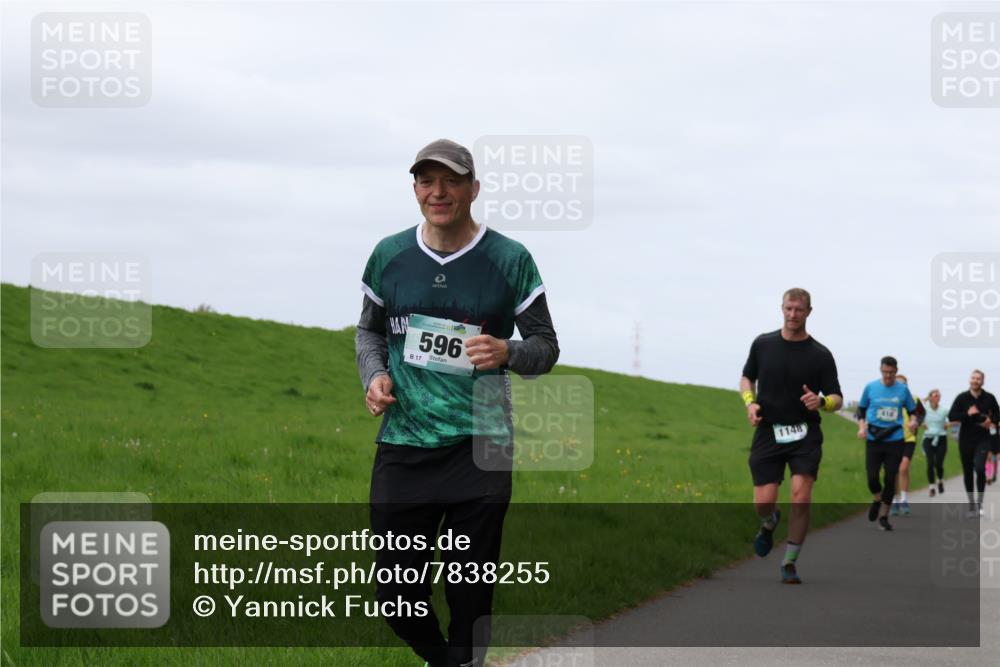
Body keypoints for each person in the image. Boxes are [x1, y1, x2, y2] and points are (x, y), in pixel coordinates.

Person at [355, 138, 560, 667]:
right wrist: (375, 376)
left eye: (450, 180)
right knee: (398, 601)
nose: (438, 192)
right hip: (405, 444)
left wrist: (507, 350)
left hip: (482, 446)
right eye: (426, 181)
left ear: (473, 187)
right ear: (416, 188)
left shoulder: (509, 259)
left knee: (469, 594)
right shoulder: (389, 255)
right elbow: (369, 333)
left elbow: (546, 348)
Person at [740, 288, 843, 585]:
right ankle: (770, 521)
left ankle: (789, 562)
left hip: (805, 434)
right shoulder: (763, 344)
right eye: (788, 308)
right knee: (763, 502)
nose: (793, 314)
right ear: (781, 308)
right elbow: (747, 376)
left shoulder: (820, 355)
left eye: (799, 309)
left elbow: (836, 397)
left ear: (809, 312)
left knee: (801, 496)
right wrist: (750, 402)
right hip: (769, 430)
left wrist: (821, 402)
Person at [856, 357, 918, 531]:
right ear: (880, 370)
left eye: (891, 372)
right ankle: (877, 498)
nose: (888, 375)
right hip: (874, 439)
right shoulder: (871, 387)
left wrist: (913, 421)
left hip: (895, 439)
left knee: (890, 478)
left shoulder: (903, 390)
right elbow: (861, 410)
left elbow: (914, 411)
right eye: (885, 372)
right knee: (872, 477)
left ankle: (884, 516)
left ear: (896, 371)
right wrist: (862, 427)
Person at [948, 369, 1000, 516]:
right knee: (967, 472)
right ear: (970, 380)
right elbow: (951, 416)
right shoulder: (962, 398)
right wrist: (967, 414)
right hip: (965, 439)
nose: (975, 381)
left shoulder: (989, 397)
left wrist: (992, 421)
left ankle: (980, 503)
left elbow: (997, 413)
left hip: (983, 439)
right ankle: (971, 504)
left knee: (979, 468)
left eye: (978, 379)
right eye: (973, 378)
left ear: (982, 381)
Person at [891, 374, 924, 516]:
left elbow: (922, 413)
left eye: (904, 384)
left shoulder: (914, 399)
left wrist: (916, 422)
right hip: (891, 439)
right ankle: (895, 499)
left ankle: (904, 499)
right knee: (893, 470)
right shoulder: (888, 399)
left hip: (909, 438)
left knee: (903, 468)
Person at [920, 389, 952, 497]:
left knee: (939, 464)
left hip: (941, 438)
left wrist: (949, 424)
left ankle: (940, 480)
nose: (938, 397)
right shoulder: (925, 409)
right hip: (928, 438)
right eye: (935, 395)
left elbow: (954, 417)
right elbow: (916, 416)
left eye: (939, 396)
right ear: (930, 397)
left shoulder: (944, 409)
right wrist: (921, 423)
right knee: (930, 463)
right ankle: (931, 487)